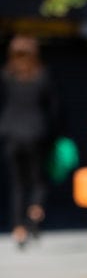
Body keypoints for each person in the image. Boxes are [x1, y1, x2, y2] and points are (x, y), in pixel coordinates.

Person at [0, 34, 59, 247]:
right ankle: (35, 211)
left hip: (11, 134)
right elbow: (54, 108)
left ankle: (18, 228)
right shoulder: (42, 75)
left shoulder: (6, 75)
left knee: (17, 183)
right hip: (37, 134)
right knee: (38, 180)